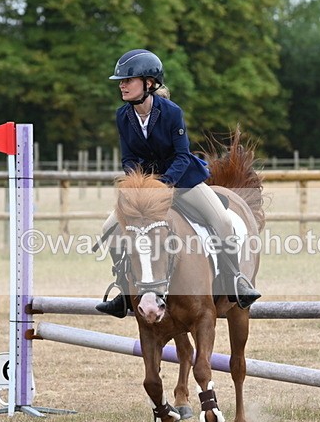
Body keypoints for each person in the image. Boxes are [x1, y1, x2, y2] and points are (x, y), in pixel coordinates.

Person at [95, 49, 260, 317]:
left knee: (224, 221)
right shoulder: (122, 115)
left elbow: (183, 156)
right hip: (147, 189)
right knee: (108, 228)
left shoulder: (171, 112)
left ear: (149, 83)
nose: (122, 85)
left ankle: (235, 280)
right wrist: (141, 186)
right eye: (121, 81)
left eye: (128, 80)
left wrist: (165, 184)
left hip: (183, 181)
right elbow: (129, 158)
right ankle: (124, 291)